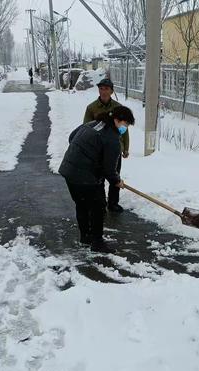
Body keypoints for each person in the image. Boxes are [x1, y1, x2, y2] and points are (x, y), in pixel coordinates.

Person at [59, 106, 135, 254]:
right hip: (85, 176)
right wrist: (117, 181)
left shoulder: (93, 124)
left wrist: (85, 154)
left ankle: (85, 237)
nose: (125, 128)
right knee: (98, 207)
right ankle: (97, 242)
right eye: (125, 124)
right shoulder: (112, 140)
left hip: (69, 170)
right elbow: (109, 170)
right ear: (116, 120)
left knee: (81, 204)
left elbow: (71, 137)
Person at [83, 78, 129, 213]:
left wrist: (125, 147)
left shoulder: (118, 108)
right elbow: (86, 128)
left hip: (115, 148)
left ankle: (113, 203)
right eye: (101, 88)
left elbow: (124, 129)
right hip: (98, 150)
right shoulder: (91, 108)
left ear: (111, 91)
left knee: (114, 176)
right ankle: (101, 202)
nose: (103, 91)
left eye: (106, 89)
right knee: (99, 178)